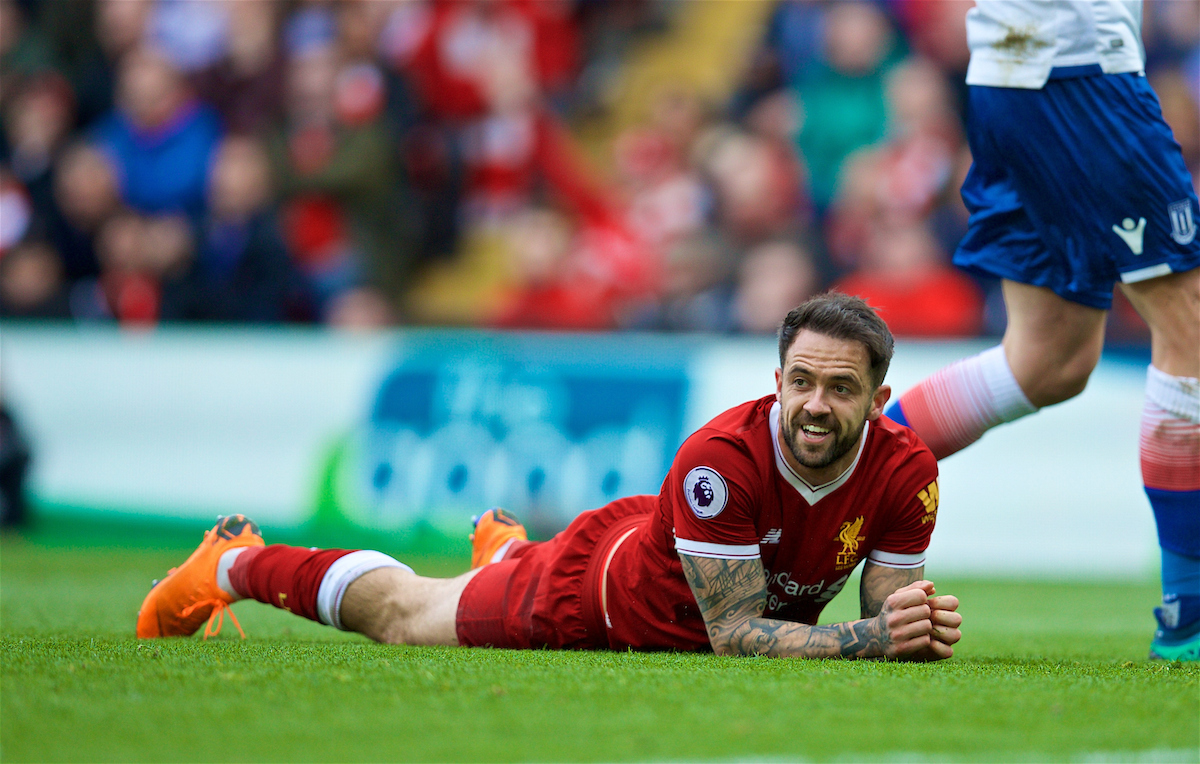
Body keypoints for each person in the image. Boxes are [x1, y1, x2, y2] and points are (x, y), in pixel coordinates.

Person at [137, 293, 962, 661]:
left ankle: (504, 554)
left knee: (487, 576)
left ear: (880, 398)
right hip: (597, 599)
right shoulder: (722, 462)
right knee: (403, 615)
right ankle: (234, 563)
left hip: (666, 543)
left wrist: (912, 628)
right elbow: (738, 636)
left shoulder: (906, 469)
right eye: (801, 383)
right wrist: (872, 642)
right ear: (776, 380)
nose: (816, 406)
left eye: (841, 389)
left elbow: (887, 617)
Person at [882, 1, 1200, 661]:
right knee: (1191, 326)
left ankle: (792, 498)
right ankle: (1190, 618)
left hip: (1019, 78)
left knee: (1048, 359)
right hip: (1076, 72)